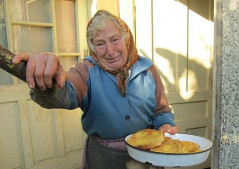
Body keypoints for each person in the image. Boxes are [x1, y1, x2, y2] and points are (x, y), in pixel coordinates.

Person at [13, 10, 178, 169]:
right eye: (100, 43)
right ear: (92, 47)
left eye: (115, 40)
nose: (110, 51)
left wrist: (164, 125)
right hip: (104, 158)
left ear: (126, 38)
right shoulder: (86, 71)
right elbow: (65, 93)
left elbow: (161, 111)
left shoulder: (148, 69)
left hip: (146, 154)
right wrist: (49, 83)